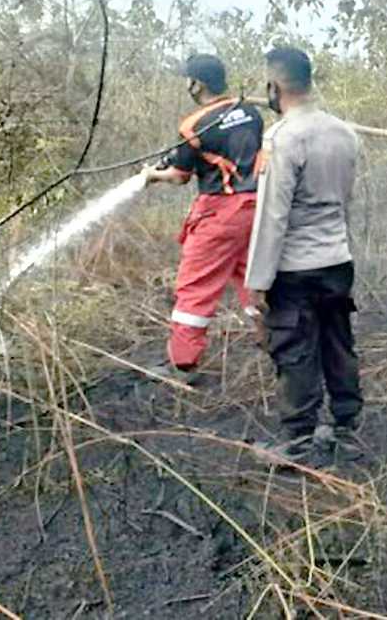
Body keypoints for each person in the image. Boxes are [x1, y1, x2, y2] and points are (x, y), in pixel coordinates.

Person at [245, 47, 363, 467]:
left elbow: (272, 216)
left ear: (273, 88)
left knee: (295, 351)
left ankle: (296, 447)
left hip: (296, 269)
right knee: (338, 344)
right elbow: (345, 201)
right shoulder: (344, 132)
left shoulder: (281, 138)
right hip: (337, 262)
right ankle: (348, 432)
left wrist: (257, 282)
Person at [143, 54, 263, 383]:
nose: (187, 85)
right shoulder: (250, 112)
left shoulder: (194, 126)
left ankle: (182, 364)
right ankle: (277, 341)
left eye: (188, 80)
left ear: (197, 84)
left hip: (219, 215)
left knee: (195, 286)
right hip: (257, 209)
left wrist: (153, 175)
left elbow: (180, 175)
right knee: (254, 278)